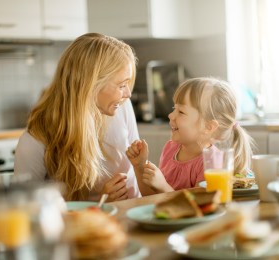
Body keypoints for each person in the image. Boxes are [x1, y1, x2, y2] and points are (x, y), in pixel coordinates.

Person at [14, 33, 141, 201]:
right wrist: (99, 202)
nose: (128, 93)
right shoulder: (36, 139)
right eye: (121, 85)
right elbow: (26, 207)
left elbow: (137, 167)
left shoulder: (122, 107)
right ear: (91, 84)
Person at [126, 77, 254, 196]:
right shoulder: (170, 148)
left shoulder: (212, 163)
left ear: (208, 127)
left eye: (181, 111)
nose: (171, 115)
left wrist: (163, 186)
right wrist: (139, 167)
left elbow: (199, 208)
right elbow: (150, 198)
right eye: (174, 108)